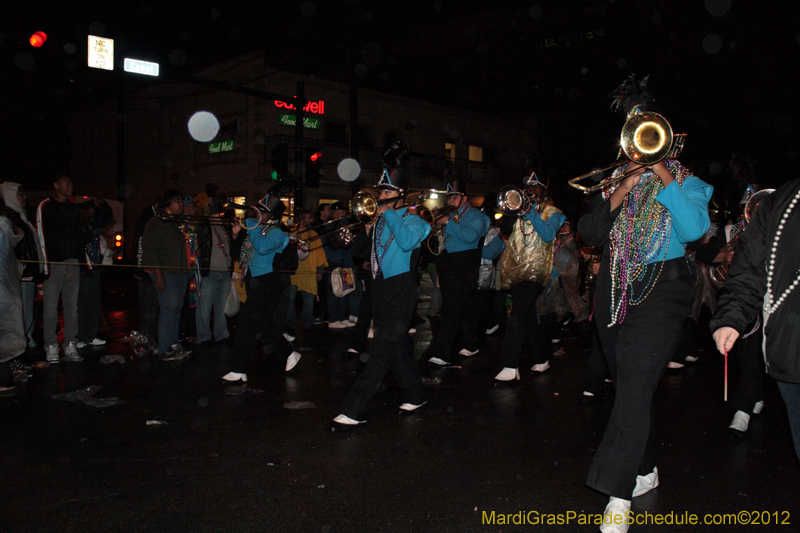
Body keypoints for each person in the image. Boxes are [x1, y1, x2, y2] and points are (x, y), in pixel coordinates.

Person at [578, 75, 712, 533]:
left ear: (667, 139)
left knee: (634, 386)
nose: (642, 147)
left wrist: (660, 173)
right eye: (636, 141)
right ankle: (645, 466)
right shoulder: (614, 182)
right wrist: (623, 186)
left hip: (663, 291)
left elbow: (694, 230)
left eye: (650, 138)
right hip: (614, 288)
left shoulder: (692, 184)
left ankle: (618, 495)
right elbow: (590, 234)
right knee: (629, 388)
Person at [329, 141, 431, 432]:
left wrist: (387, 214)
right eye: (380, 191)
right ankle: (416, 393)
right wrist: (367, 226)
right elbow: (360, 251)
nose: (380, 196)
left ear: (400, 195)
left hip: (401, 290)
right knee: (396, 347)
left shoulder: (416, 220)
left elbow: (408, 242)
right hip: (379, 288)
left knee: (381, 350)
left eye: (385, 192)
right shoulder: (381, 219)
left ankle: (354, 409)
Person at [711, 178, 800, 461]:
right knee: (749, 357)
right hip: (787, 341)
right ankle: (745, 407)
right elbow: (749, 266)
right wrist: (730, 317)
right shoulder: (779, 203)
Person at [221, 194, 302, 383]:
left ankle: (239, 369)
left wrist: (250, 225)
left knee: (246, 322)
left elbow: (263, 248)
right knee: (259, 326)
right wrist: (235, 234)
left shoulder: (278, 234)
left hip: (268, 283)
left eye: (261, 212)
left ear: (272, 215)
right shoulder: (257, 230)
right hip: (253, 281)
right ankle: (242, 369)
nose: (257, 215)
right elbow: (238, 254)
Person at [494, 171, 566, 381]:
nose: (532, 189)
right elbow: (505, 231)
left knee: (517, 315)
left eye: (537, 186)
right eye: (529, 185)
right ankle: (541, 359)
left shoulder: (555, 212)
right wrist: (514, 210)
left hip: (537, 270)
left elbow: (548, 234)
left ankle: (509, 364)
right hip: (515, 269)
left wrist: (530, 211)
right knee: (525, 316)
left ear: (545, 190)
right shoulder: (518, 211)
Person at [427, 178, 489, 366]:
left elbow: (470, 236)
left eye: (454, 196)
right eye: (449, 197)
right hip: (447, 264)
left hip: (464, 266)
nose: (451, 200)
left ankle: (443, 353)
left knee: (450, 309)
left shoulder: (475, 215)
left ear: (464, 197)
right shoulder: (449, 214)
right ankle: (470, 345)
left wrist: (448, 223)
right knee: (456, 308)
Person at [36, 176, 84, 363]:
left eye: (72, 183)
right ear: (56, 185)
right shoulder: (46, 206)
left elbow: (80, 232)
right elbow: (40, 234)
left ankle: (71, 343)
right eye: (66, 183)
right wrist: (43, 263)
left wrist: (82, 259)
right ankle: (51, 344)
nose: (70, 186)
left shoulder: (74, 207)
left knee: (72, 307)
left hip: (72, 261)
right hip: (54, 263)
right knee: (50, 306)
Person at [141, 190, 191, 359]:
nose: (182, 204)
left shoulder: (177, 222)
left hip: (180, 272)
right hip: (166, 272)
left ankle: (173, 344)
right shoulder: (157, 222)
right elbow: (151, 250)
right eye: (178, 201)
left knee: (176, 309)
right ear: (167, 204)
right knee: (169, 309)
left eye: (182, 201)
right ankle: (164, 348)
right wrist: (159, 274)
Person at [0, 182, 43, 349]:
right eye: (19, 194)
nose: (24, 198)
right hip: (19, 273)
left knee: (27, 310)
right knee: (19, 312)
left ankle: (20, 346)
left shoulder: (22, 216)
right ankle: (15, 351)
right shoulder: (9, 218)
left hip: (28, 272)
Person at [196, 193, 242, 345]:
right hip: (211, 272)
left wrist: (235, 235)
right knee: (205, 307)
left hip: (224, 272)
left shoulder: (225, 227)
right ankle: (204, 336)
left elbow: (233, 250)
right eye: (218, 210)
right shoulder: (204, 226)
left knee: (221, 307)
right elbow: (200, 246)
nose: (221, 213)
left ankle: (221, 334)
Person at [286, 208, 327, 335]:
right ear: (302, 219)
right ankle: (289, 326)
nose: (311, 220)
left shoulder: (313, 234)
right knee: (290, 301)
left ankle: (308, 324)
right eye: (309, 218)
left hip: (309, 273)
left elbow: (320, 253)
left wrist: (320, 270)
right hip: (293, 273)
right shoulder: (290, 233)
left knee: (309, 301)